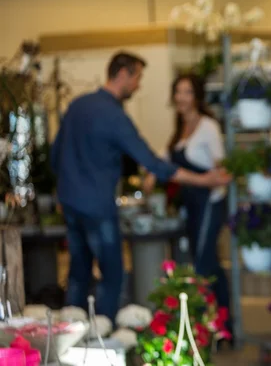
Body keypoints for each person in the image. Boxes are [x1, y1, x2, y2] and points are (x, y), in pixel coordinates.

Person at [51, 52, 231, 323]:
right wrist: (203, 180)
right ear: (123, 75)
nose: (138, 85)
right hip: (98, 206)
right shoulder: (113, 115)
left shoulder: (77, 105)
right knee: (112, 275)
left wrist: (64, 191)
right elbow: (152, 162)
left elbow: (55, 156)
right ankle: (104, 341)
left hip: (70, 204)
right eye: (137, 78)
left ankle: (72, 338)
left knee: (78, 272)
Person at [142, 74, 231, 336]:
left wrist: (206, 182)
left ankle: (199, 330)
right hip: (191, 206)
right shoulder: (178, 130)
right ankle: (225, 327)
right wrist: (149, 176)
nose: (181, 98)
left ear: (197, 96)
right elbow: (161, 160)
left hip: (210, 205)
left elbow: (223, 173)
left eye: (187, 92)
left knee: (201, 267)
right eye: (178, 92)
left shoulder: (208, 127)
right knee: (210, 264)